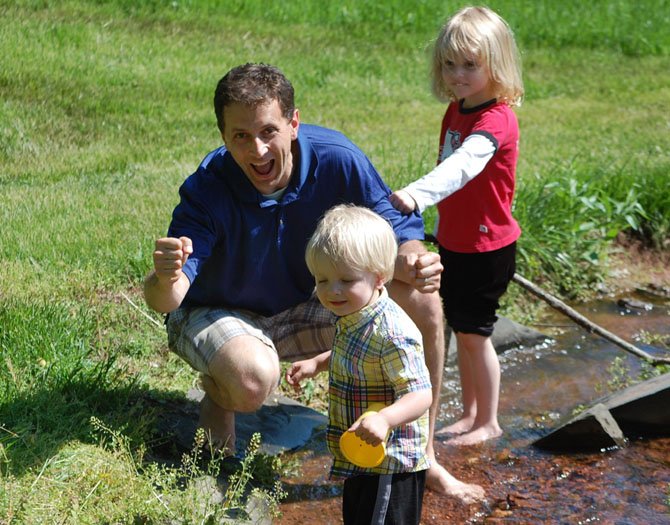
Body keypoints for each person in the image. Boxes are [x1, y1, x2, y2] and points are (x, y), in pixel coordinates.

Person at [143, 62, 483, 502]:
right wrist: (164, 275)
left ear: (293, 123)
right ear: (224, 136)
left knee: (421, 303)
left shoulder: (337, 160)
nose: (258, 150)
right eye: (240, 136)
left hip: (310, 301)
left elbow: (397, 235)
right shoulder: (208, 187)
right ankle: (219, 394)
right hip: (220, 311)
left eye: (268, 131)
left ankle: (424, 456)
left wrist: (417, 263)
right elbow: (167, 301)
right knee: (250, 379)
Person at [390, 6, 524, 447]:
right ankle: (469, 413)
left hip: (487, 249)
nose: (458, 74)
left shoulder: (495, 119)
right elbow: (448, 165)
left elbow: (463, 167)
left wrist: (416, 194)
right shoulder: (457, 108)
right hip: (456, 242)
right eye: (450, 65)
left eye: (470, 65)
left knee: (475, 335)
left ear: (496, 64)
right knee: (463, 332)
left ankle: (489, 421)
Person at [286, 204, 432, 524]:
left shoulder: (393, 333)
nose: (332, 290)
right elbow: (354, 356)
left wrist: (385, 420)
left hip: (390, 462)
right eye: (322, 280)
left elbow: (421, 395)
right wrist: (317, 363)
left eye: (346, 279)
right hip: (360, 453)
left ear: (379, 277)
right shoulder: (354, 315)